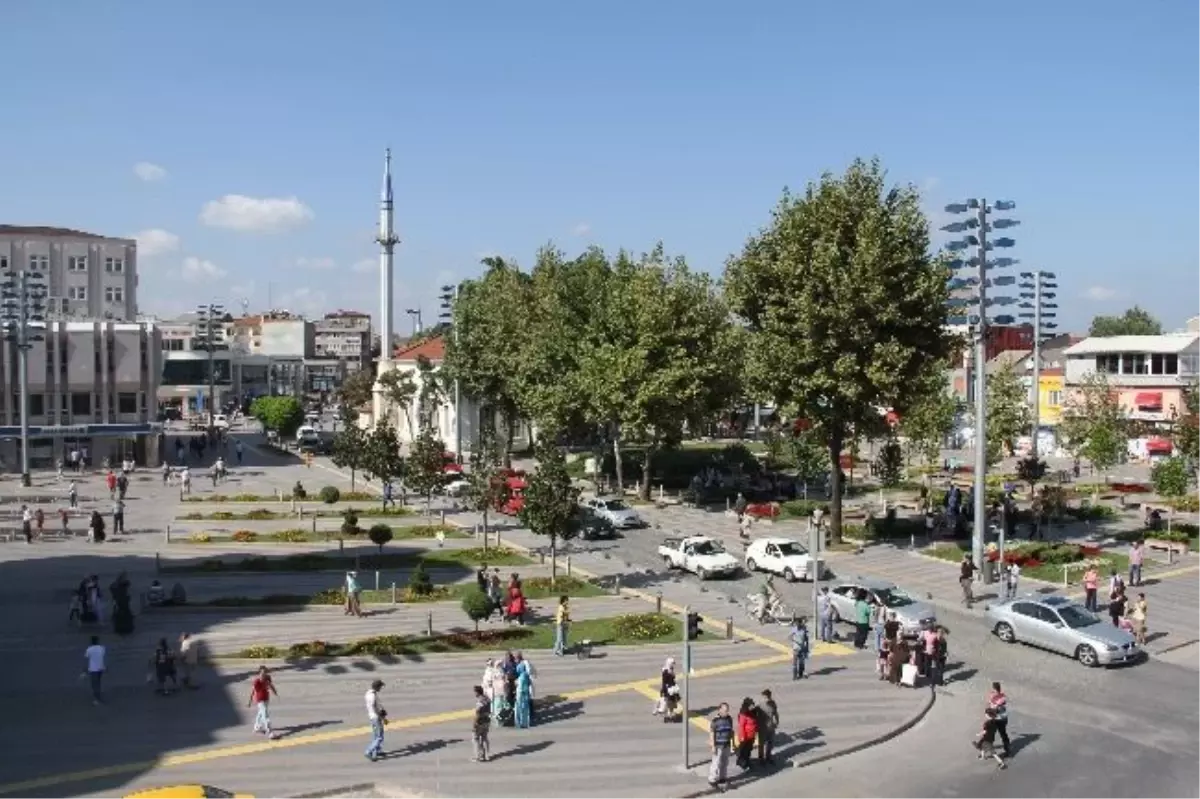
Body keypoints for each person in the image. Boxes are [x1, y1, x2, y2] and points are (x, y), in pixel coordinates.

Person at [708, 703, 734, 792]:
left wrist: (732, 744)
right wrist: (713, 746)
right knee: (716, 762)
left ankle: (722, 777)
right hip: (718, 745)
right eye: (725, 710)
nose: (727, 712)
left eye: (727, 710)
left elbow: (731, 732)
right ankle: (712, 779)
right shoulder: (715, 721)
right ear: (719, 710)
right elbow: (711, 733)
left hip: (726, 744)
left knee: (725, 762)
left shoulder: (729, 719)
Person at [248, 665, 279, 739]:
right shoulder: (256, 681)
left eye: (265, 672)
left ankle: (257, 727)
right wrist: (249, 701)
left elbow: (271, 685)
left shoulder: (267, 678)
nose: (263, 674)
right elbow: (252, 691)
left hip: (266, 699)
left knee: (260, 713)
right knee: (265, 715)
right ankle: (270, 732)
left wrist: (275, 692)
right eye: (262, 673)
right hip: (259, 700)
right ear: (259, 673)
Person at [987, 681, 1012, 758]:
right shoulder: (994, 695)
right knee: (991, 734)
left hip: (1000, 719)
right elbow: (990, 702)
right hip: (996, 718)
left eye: (994, 690)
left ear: (996, 689)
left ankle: (1007, 750)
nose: (993, 691)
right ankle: (990, 749)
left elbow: (997, 708)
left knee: (1002, 733)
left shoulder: (1002, 698)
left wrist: (990, 710)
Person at [365, 679, 387, 761]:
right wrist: (382, 717)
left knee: (375, 736)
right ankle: (368, 751)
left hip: (371, 716)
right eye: (380, 687)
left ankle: (376, 752)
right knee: (379, 737)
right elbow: (375, 708)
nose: (381, 688)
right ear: (377, 687)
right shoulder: (373, 696)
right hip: (376, 718)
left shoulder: (368, 693)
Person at [735, 698, 759, 770]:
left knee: (749, 749)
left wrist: (756, 730)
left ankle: (747, 761)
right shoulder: (743, 714)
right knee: (744, 750)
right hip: (745, 736)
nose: (752, 706)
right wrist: (742, 737)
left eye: (753, 705)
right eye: (751, 705)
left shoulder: (753, 712)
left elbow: (755, 722)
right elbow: (741, 726)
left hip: (751, 735)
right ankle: (742, 762)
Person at [756, 689, 779, 764]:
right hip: (762, 727)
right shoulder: (759, 705)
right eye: (765, 697)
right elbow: (755, 717)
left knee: (770, 743)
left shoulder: (773, 703)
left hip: (771, 727)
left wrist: (776, 721)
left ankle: (768, 757)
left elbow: (775, 713)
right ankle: (761, 759)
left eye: (768, 697)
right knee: (761, 744)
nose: (767, 698)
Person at [84, 635, 106, 705]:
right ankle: (99, 693)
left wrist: (84, 670)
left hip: (93, 669)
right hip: (101, 668)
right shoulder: (102, 648)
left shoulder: (89, 649)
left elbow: (86, 658)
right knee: (98, 682)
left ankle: (97, 698)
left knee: (94, 684)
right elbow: (103, 657)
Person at [472, 685, 491, 762]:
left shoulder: (479, 702)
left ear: (477, 692)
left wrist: (474, 724)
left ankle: (479, 756)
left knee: (475, 739)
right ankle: (487, 755)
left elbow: (478, 714)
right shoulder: (487, 699)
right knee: (484, 738)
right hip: (487, 721)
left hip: (480, 722)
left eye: (475, 692)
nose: (474, 694)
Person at [514, 658, 533, 728]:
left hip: (521, 696)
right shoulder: (525, 675)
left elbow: (521, 688)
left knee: (521, 710)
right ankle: (524, 722)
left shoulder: (522, 677)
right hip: (525, 695)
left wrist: (516, 685)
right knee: (525, 710)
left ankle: (521, 723)